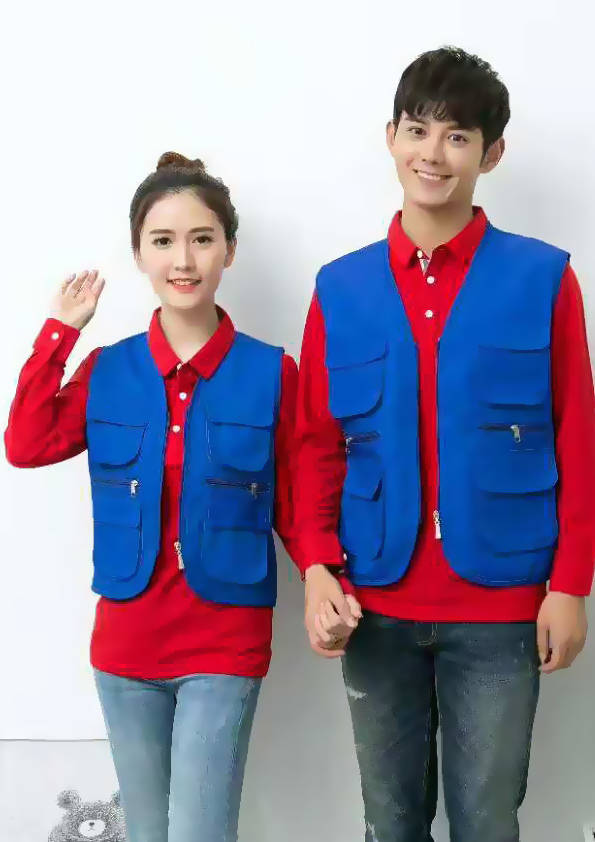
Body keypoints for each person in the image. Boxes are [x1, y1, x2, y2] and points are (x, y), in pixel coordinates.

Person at [295, 47, 595, 842]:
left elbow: (576, 434)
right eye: (418, 129)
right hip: (374, 602)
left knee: (486, 821)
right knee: (389, 821)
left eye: (457, 136)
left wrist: (569, 584)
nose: (433, 153)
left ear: (490, 154)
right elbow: (316, 444)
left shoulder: (543, 279)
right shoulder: (340, 287)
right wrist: (317, 565)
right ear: (390, 136)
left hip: (501, 602)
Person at [5, 151, 302, 842]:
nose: (184, 260)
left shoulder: (272, 372)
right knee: (145, 831)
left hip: (224, 638)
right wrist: (60, 332)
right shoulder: (106, 369)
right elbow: (25, 443)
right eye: (163, 241)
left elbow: (299, 499)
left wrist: (326, 580)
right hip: (125, 642)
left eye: (202, 239)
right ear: (139, 253)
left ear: (229, 248)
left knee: (200, 832)